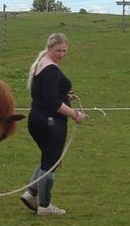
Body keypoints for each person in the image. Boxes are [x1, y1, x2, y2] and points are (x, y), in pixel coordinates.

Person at [21, 32, 87, 215]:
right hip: (50, 121)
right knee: (52, 161)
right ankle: (45, 206)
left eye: (65, 51)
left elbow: (45, 93)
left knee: (49, 158)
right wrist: (75, 114)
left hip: (37, 118)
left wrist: (66, 95)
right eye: (58, 50)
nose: (62, 54)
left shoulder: (40, 63)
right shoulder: (51, 69)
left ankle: (31, 193)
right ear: (49, 48)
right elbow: (51, 102)